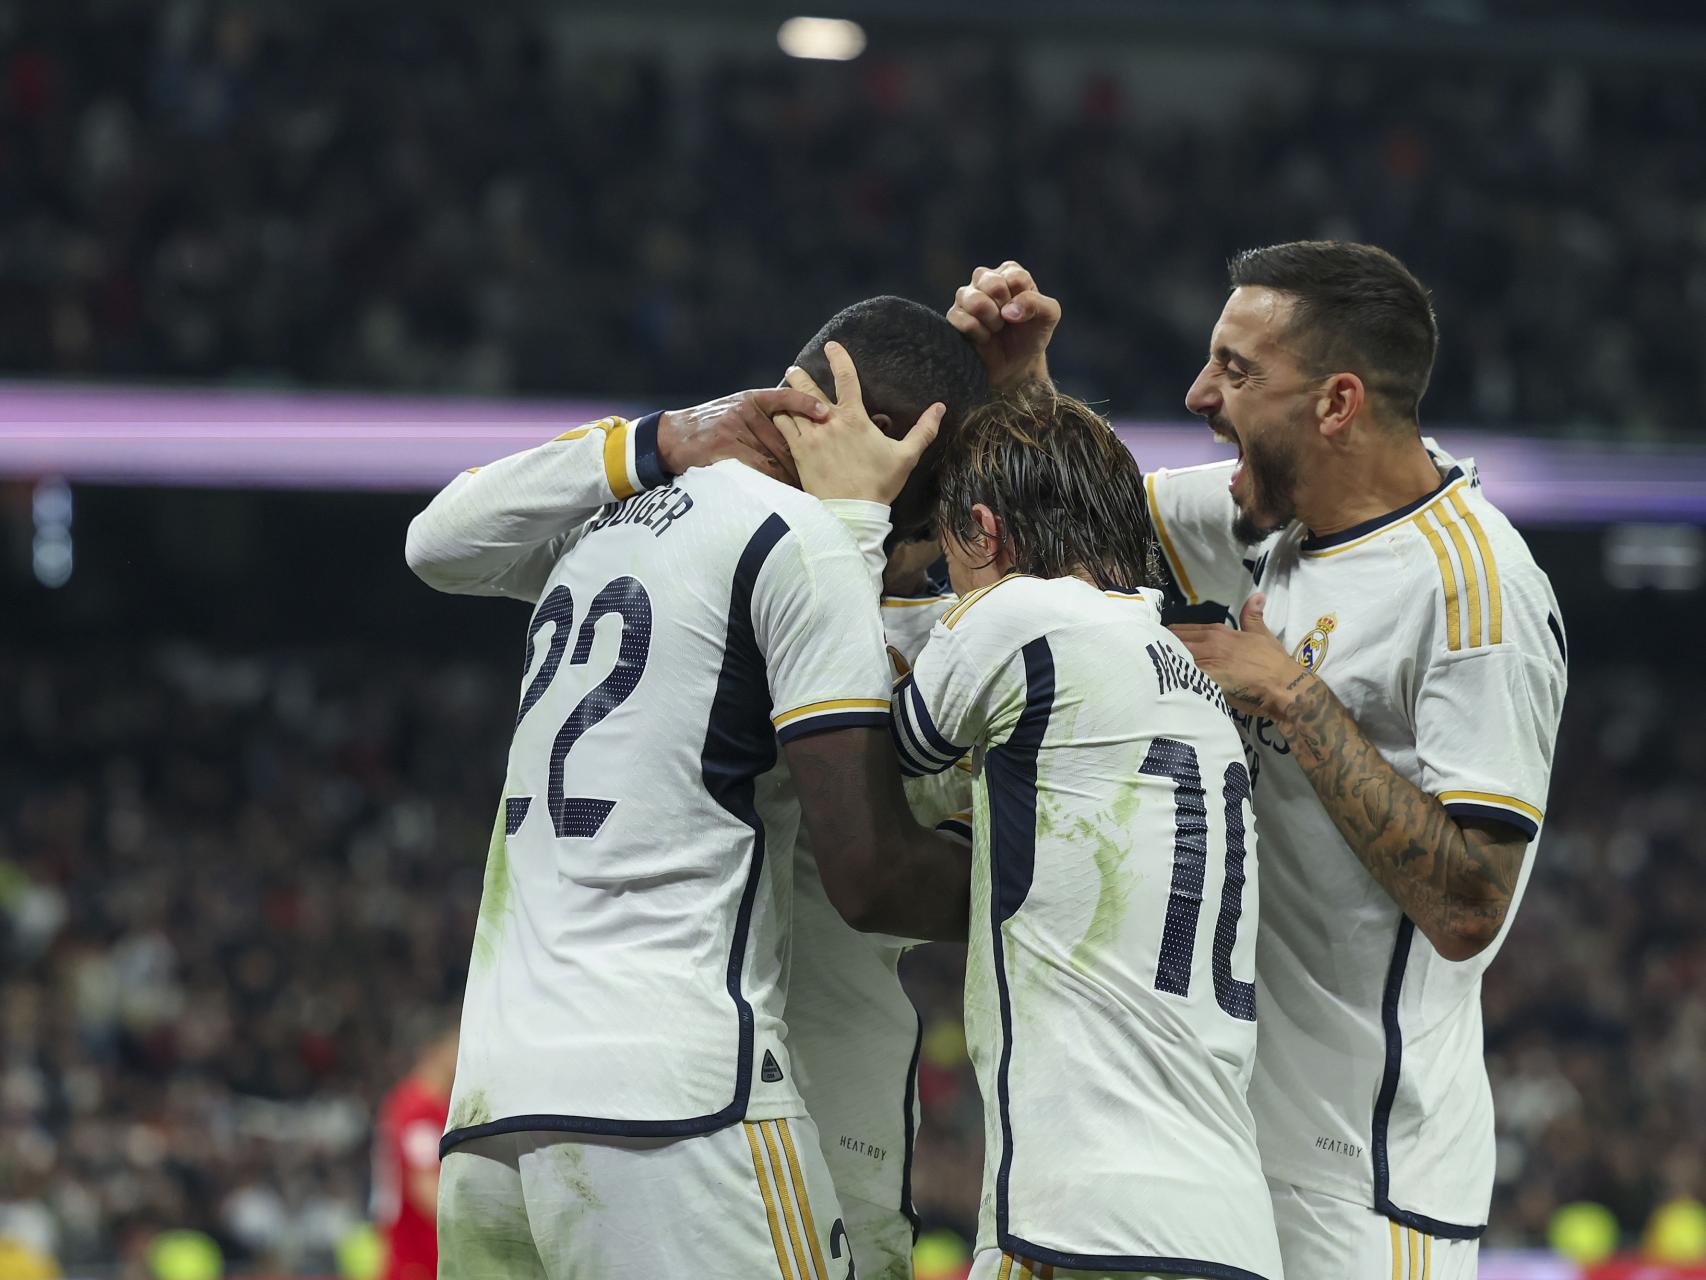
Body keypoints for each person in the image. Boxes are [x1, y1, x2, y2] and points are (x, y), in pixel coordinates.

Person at [948, 246, 1567, 1279]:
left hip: (1363, 1182)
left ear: (1335, 402)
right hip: (1209, 1159)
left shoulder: (1474, 591)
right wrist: (1022, 385)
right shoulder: (1246, 519)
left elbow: (1468, 904)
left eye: (1235, 371)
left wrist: (1288, 690)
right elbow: (1073, 537)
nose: (1198, 394)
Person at [404, 295, 988, 1279]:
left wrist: (660, 437)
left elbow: (437, 539)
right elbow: (870, 870)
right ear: (889, 445)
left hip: (494, 1104)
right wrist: (1047, 887)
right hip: (674, 1103)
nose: (922, 535)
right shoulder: (799, 542)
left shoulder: (604, 529)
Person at [776, 376, 1285, 1280]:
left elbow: (856, 765)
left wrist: (850, 524)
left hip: (1079, 1224)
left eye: (949, 558)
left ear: (986, 530)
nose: (947, 585)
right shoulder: (1190, 674)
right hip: (1234, 1230)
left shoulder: (1020, 616)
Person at [371, 1026, 457, 1280]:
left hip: (420, 1254)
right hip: (418, 1254)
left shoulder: (418, 1102)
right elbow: (423, 1185)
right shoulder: (419, 1108)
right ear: (435, 1051)